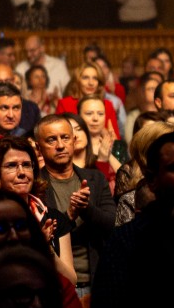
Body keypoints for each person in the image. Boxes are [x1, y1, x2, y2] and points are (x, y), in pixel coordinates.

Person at [35, 115, 116, 296]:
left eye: (65, 138)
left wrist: (87, 209)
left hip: (98, 282)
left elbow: (113, 224)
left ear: (73, 140)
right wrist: (69, 215)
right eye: (51, 140)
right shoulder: (35, 185)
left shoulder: (94, 179)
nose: (60, 145)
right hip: (55, 285)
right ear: (39, 148)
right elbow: (39, 239)